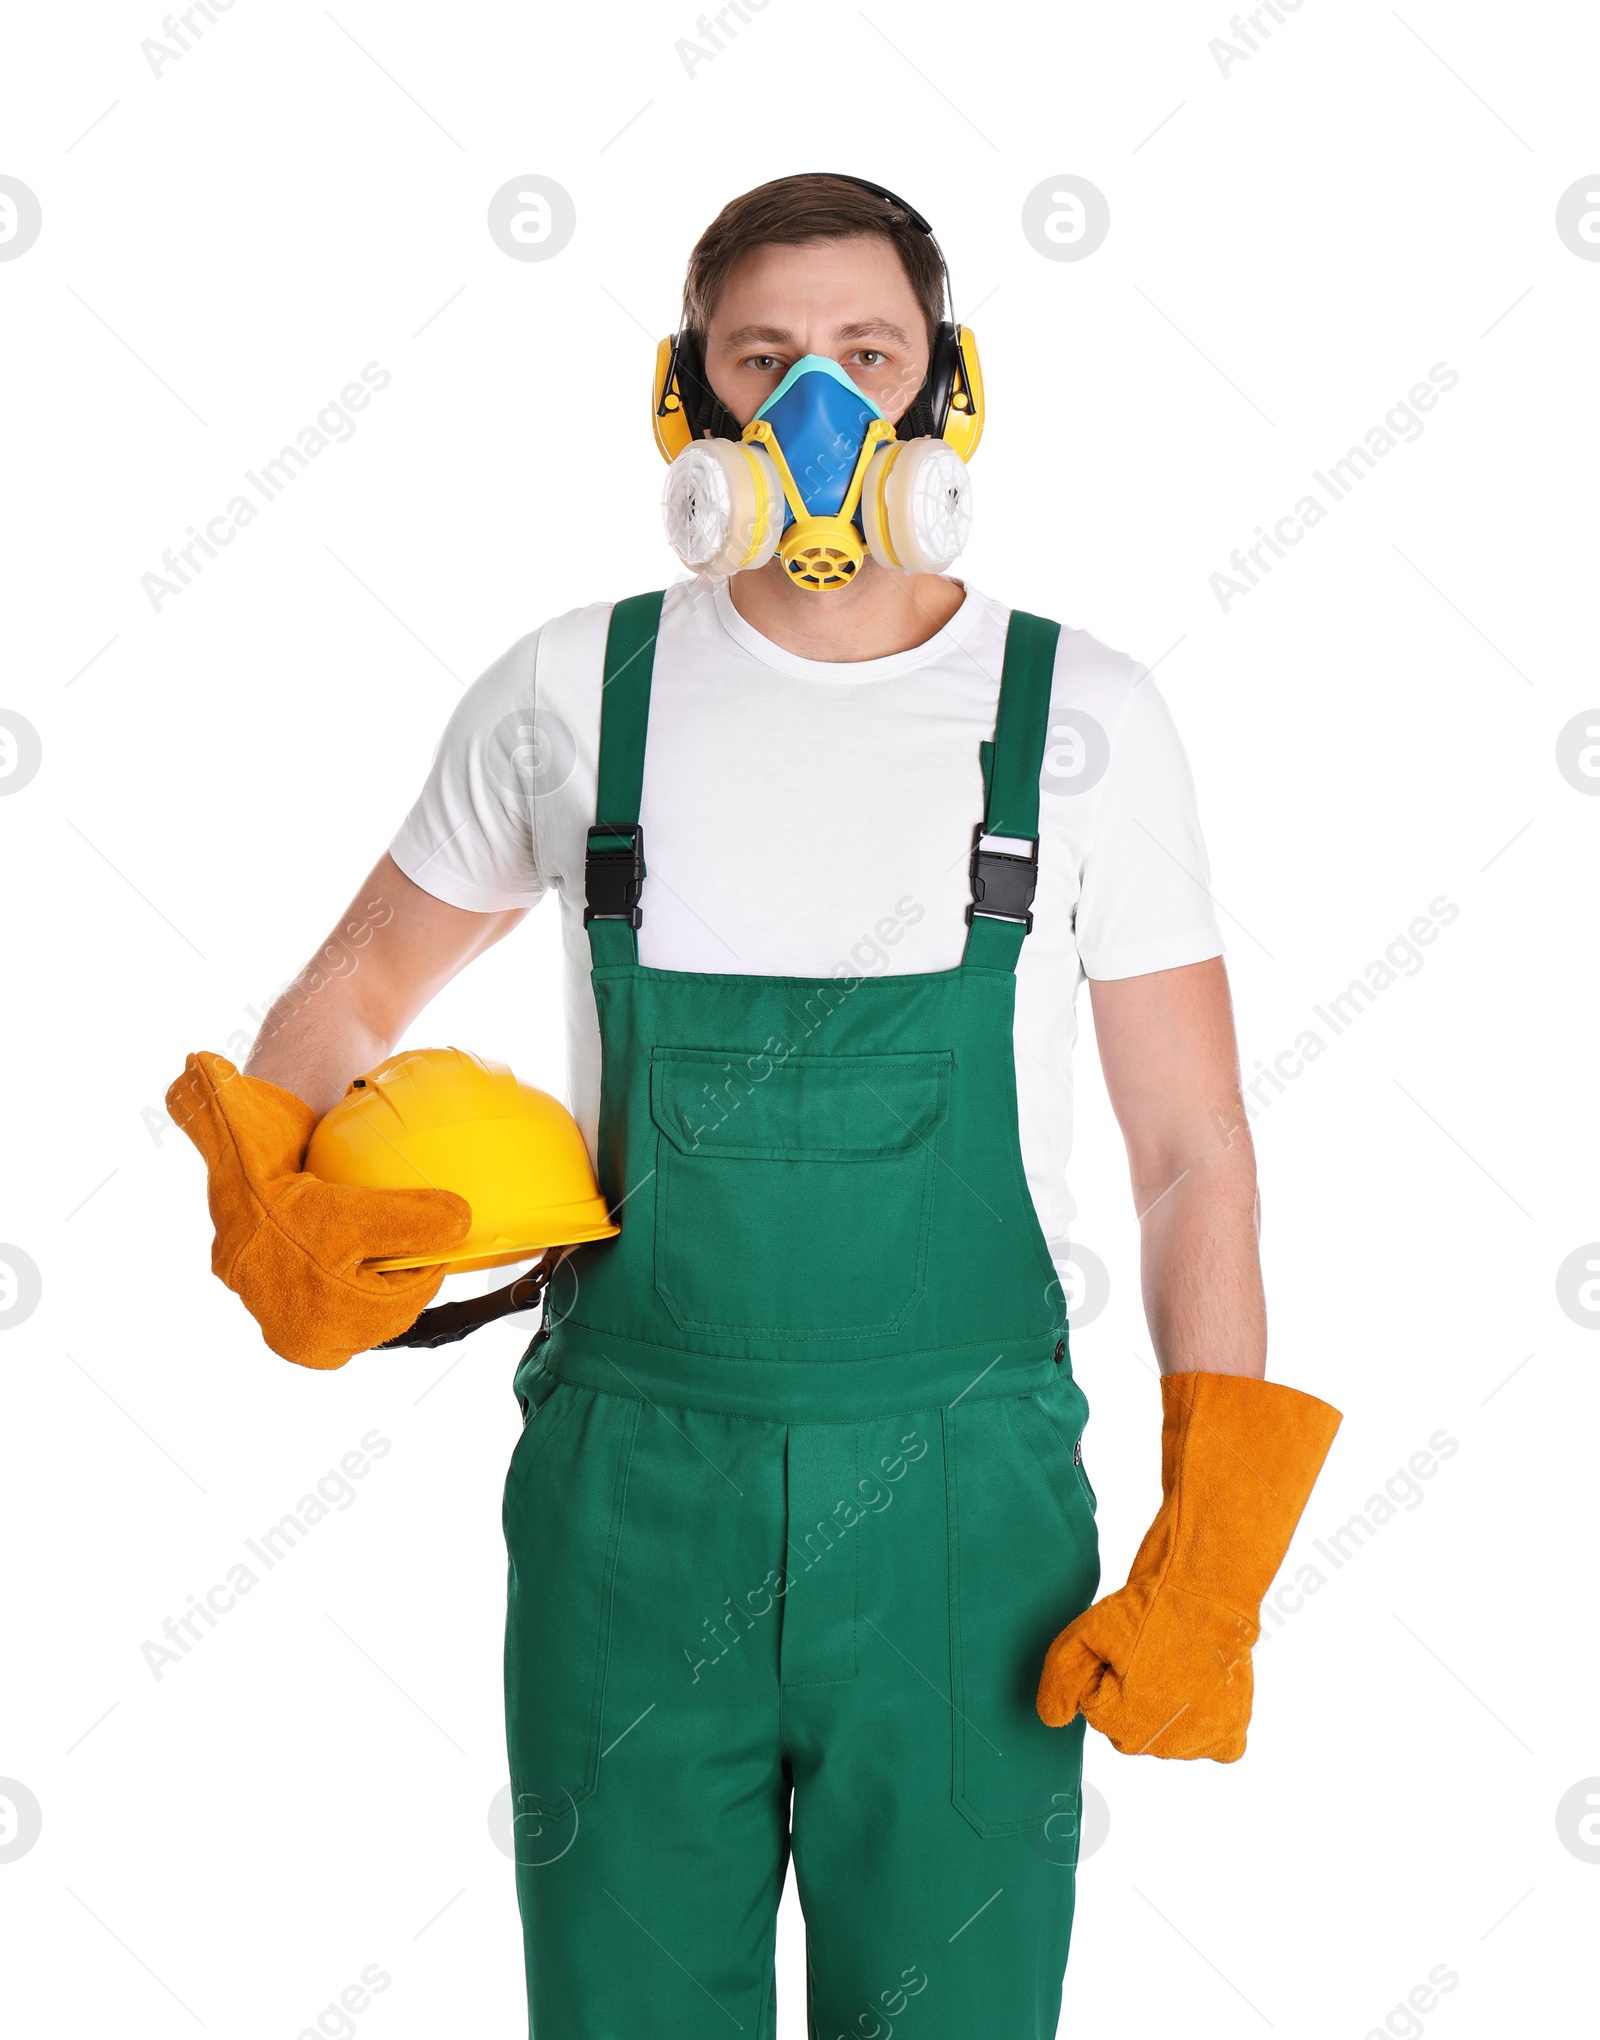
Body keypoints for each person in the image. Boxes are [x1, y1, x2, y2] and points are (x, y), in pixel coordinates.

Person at [167, 172, 1341, 2039]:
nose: (818, 406)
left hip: (967, 1529)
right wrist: (269, 1195)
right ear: (688, 403)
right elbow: (360, 985)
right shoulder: (576, 691)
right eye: (765, 357)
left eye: (866, 355)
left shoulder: (1079, 716)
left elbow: (1194, 1151)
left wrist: (1220, 1544)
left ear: (945, 391)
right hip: (637, 1509)